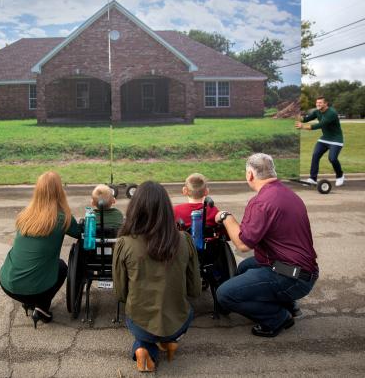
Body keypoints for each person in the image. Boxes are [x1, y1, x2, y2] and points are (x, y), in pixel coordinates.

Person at [215, 153, 319, 338]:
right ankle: (288, 303)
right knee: (246, 267)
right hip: (302, 271)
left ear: (250, 174)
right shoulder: (287, 193)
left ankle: (277, 317)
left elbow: (243, 244)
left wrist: (225, 217)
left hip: (293, 277)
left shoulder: (261, 202)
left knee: (225, 294)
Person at [113, 181, 201, 372]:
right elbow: (195, 288)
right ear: (167, 210)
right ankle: (159, 343)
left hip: (140, 321)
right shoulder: (184, 240)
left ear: (135, 209)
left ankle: (144, 348)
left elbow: (120, 293)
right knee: (177, 319)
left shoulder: (125, 244)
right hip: (179, 323)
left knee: (143, 331)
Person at [0, 171, 81, 328]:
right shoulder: (62, 218)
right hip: (33, 287)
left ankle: (28, 302)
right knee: (62, 267)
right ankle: (42, 308)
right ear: (59, 191)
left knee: (31, 266)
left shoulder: (26, 214)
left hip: (7, 282)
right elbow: (79, 233)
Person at [295, 96, 345, 186]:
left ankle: (340, 176)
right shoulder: (317, 112)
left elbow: (319, 125)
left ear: (326, 104)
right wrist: (297, 116)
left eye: (320, 102)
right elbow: (306, 119)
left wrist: (302, 127)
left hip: (336, 139)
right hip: (325, 138)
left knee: (332, 159)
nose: (318, 104)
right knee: (315, 155)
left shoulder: (331, 113)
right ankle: (313, 178)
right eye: (317, 102)